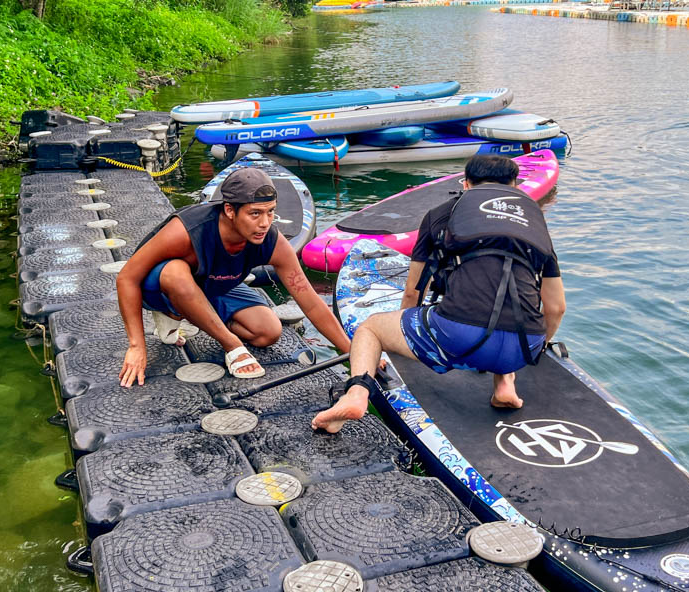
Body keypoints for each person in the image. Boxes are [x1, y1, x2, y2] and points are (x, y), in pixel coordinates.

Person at [312, 154, 566, 433]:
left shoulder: (441, 215)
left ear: (466, 185)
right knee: (505, 303)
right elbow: (556, 308)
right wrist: (535, 348)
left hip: (458, 336)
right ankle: (505, 382)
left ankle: (357, 394)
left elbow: (412, 293)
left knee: (370, 329)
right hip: (524, 345)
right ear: (515, 187)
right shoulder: (532, 223)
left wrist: (400, 336)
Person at [116, 167, 351, 386]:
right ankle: (226, 342)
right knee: (176, 272)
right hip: (159, 288)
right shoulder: (186, 231)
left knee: (268, 331)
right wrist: (137, 345)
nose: (265, 223)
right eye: (255, 214)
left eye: (271, 212)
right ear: (230, 210)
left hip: (212, 285)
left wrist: (351, 351)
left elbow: (309, 301)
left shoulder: (271, 240)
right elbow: (127, 278)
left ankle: (189, 314)